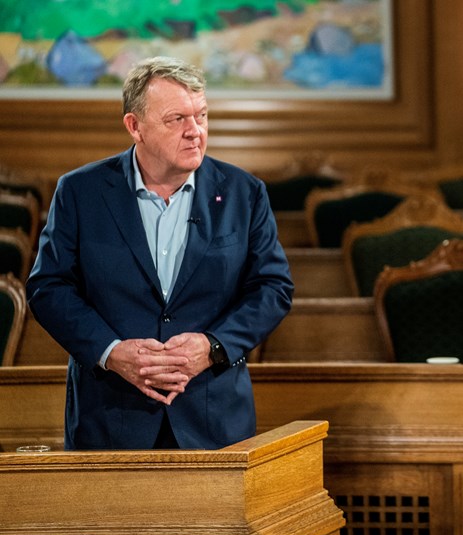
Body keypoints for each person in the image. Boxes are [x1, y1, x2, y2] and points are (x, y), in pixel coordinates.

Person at [26, 56, 294, 450]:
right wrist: (112, 352)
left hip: (213, 422)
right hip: (111, 421)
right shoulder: (80, 192)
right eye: (177, 119)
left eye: (201, 116)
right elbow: (48, 288)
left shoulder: (243, 193)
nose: (195, 132)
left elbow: (273, 288)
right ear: (135, 126)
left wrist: (213, 346)